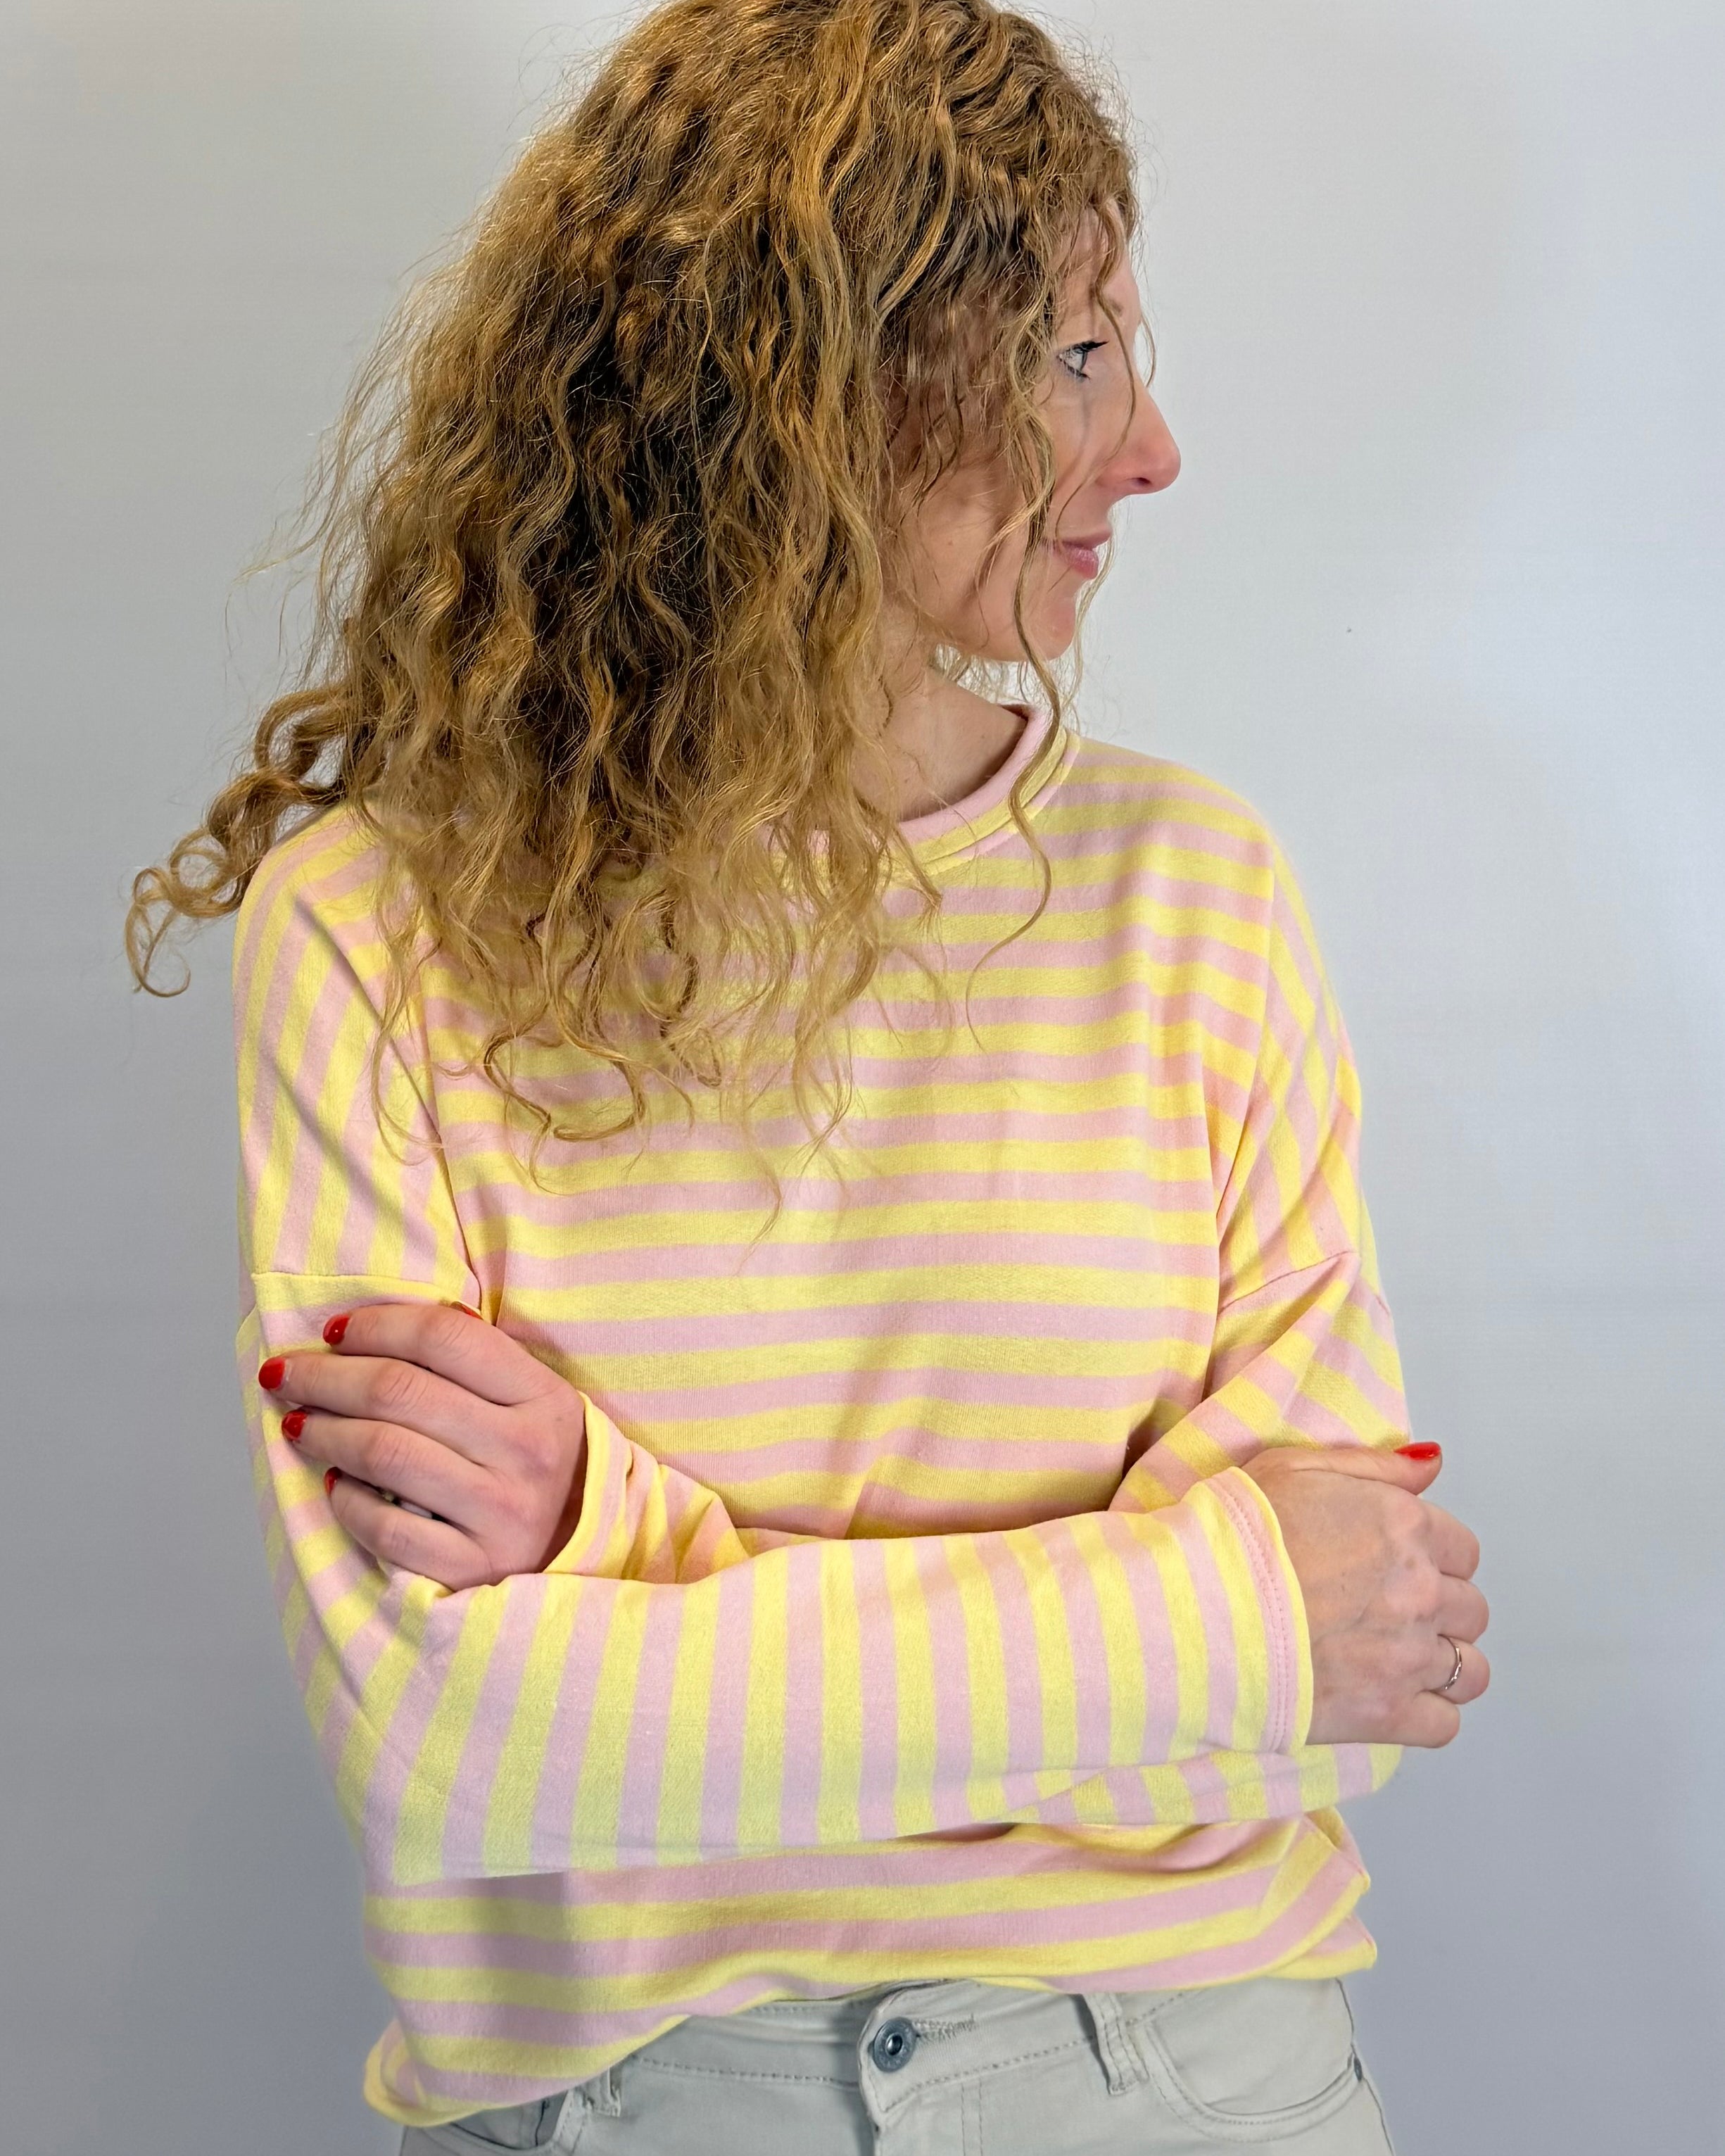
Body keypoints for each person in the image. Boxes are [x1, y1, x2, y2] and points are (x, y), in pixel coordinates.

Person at [127, 1, 1489, 2148]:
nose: (1148, 450)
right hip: (633, 2105)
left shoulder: (1194, 891)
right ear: (812, 391)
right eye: (1073, 356)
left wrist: (618, 1540)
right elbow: (454, 1753)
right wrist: (1210, 1610)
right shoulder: (376, 926)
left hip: (1188, 2085)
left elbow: (1353, 1692)